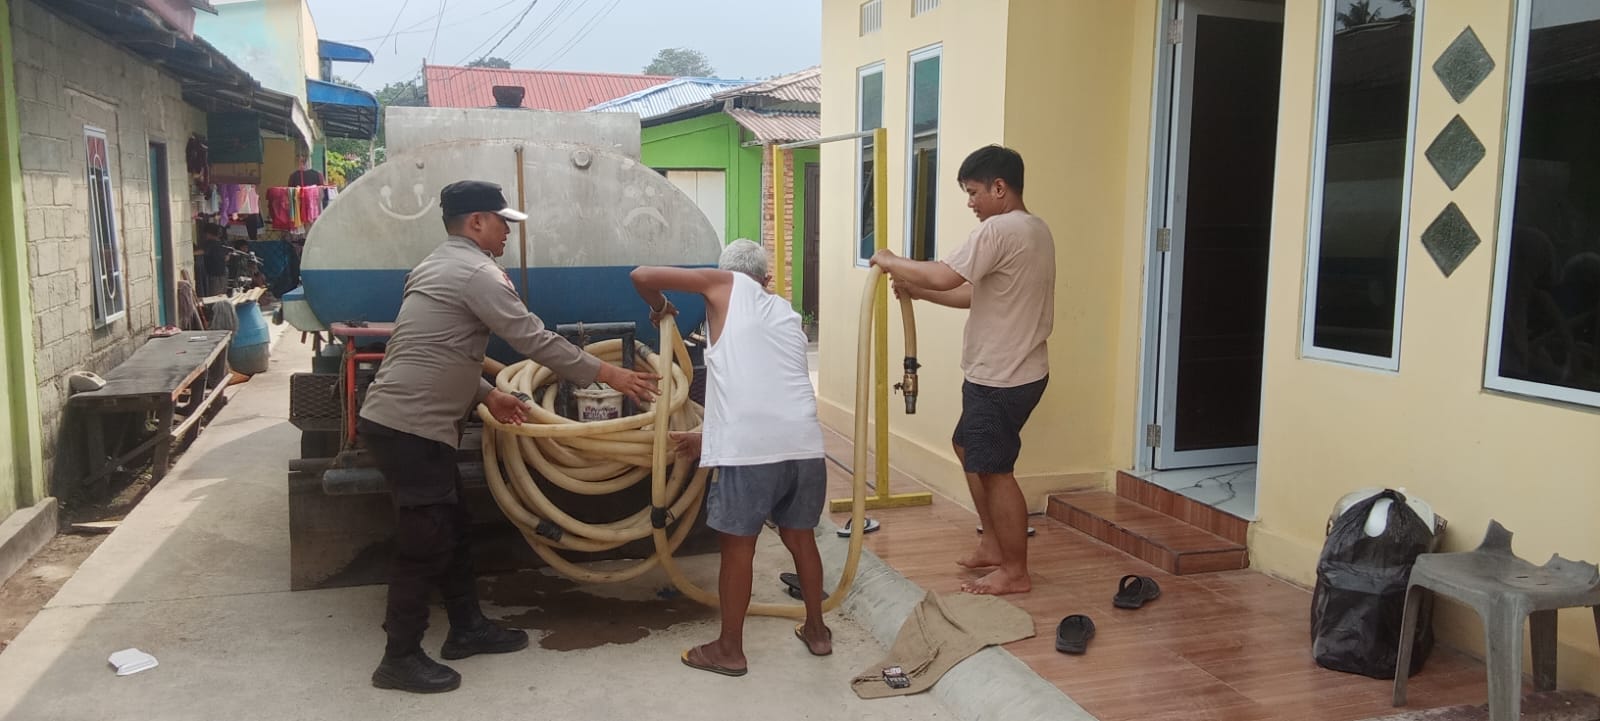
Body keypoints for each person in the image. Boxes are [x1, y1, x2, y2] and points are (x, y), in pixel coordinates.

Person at [358, 180, 661, 693]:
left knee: (451, 528)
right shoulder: (478, 273)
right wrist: (609, 373)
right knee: (424, 543)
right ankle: (399, 657)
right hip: (411, 429)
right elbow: (532, 338)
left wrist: (485, 394)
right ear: (476, 222)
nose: (507, 233)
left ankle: (467, 629)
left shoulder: (433, 266)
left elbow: (437, 349)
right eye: (503, 222)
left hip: (406, 424)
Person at [630, 238, 832, 677]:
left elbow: (641, 276)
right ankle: (818, 631)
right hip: (804, 446)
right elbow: (760, 387)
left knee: (738, 550)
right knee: (802, 539)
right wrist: (708, 438)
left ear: (726, 272)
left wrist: (661, 307)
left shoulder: (723, 284)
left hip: (750, 456)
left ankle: (729, 650)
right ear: (767, 278)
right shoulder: (786, 313)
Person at [869, 145, 1055, 596]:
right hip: (1015, 370)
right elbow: (975, 294)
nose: (970, 202)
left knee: (995, 469)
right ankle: (993, 543)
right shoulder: (1035, 229)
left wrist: (889, 259)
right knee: (968, 447)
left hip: (1002, 376)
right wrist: (918, 291)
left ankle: (1015, 571)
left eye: (974, 192)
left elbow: (945, 274)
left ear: (999, 187)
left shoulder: (999, 229)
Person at [199, 223, 229, 297]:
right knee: (221, 295)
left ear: (209, 233)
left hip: (214, 274)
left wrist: (191, 253)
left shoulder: (210, 243)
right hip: (223, 272)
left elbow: (203, 251)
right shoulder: (223, 243)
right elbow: (227, 257)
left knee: (214, 296)